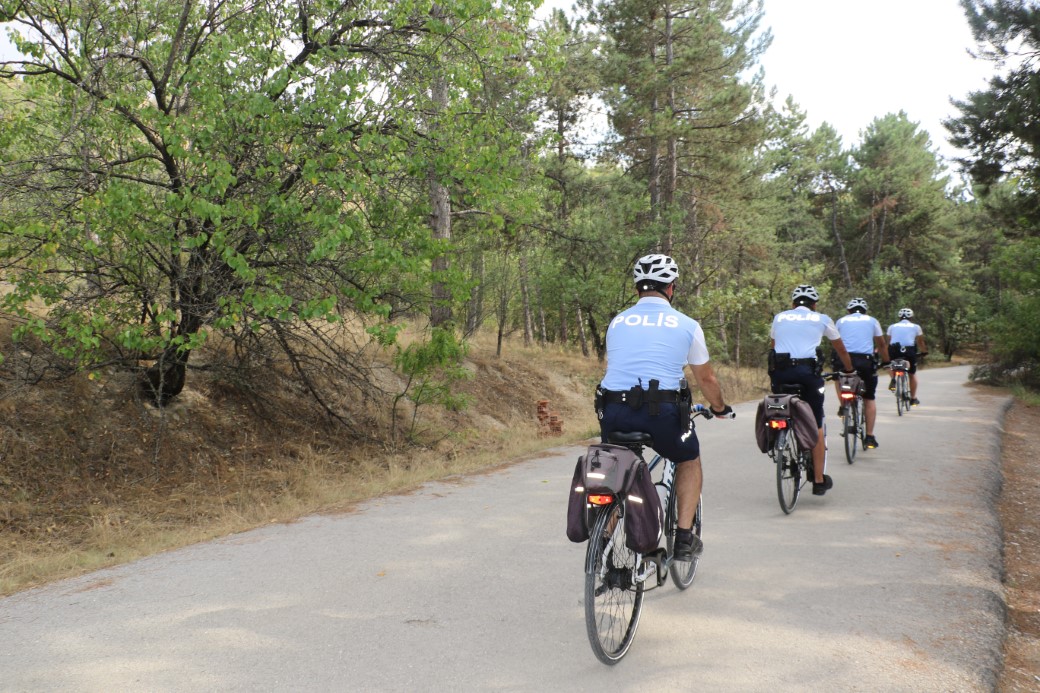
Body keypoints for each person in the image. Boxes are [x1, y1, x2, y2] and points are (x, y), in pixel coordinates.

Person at [597, 253, 734, 561]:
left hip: (613, 411)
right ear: (671, 287)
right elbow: (706, 378)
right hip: (661, 414)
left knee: (620, 465)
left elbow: (617, 367)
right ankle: (684, 539)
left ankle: (601, 544)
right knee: (688, 460)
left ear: (637, 289)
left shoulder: (617, 322)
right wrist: (720, 406)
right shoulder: (686, 324)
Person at [768, 284, 854, 496]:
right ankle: (817, 479)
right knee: (816, 422)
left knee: (781, 406)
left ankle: (780, 435)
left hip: (780, 372)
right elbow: (840, 348)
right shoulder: (822, 319)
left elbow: (773, 345)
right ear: (814, 305)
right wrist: (849, 369)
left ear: (792, 304)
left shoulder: (780, 317)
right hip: (808, 374)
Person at [831, 298, 890, 449]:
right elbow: (881, 344)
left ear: (849, 311)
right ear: (865, 311)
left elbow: (835, 341)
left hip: (844, 359)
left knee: (838, 379)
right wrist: (886, 361)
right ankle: (869, 436)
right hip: (865, 361)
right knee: (869, 397)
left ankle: (843, 405)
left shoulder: (841, 321)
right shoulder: (872, 321)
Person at [886, 308, 928, 406]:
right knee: (912, 374)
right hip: (909, 350)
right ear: (911, 317)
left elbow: (888, 342)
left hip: (894, 349)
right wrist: (924, 351)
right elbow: (920, 342)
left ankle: (893, 379)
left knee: (890, 365)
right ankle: (913, 398)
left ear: (899, 317)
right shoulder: (916, 327)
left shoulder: (892, 326)